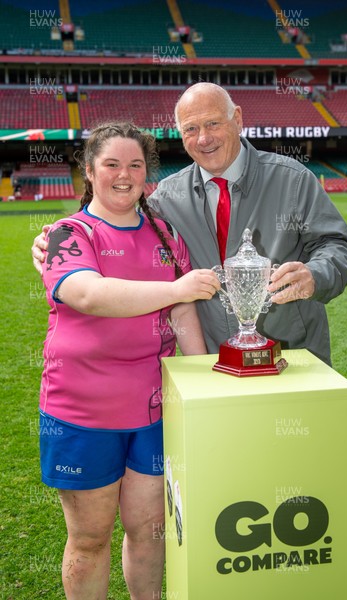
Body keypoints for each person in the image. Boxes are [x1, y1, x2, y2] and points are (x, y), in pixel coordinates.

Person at [33, 82, 347, 365]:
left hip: (292, 354)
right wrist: (60, 246)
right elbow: (124, 249)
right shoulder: (165, 199)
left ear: (238, 119)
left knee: (294, 437)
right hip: (215, 360)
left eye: (213, 123)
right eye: (190, 129)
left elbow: (337, 245)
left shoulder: (292, 179)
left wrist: (316, 275)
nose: (203, 139)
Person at [37, 121, 219, 600]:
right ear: (90, 171)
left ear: (147, 174)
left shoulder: (164, 234)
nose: (124, 174)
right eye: (112, 164)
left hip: (153, 413)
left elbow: (182, 312)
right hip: (82, 414)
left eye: (135, 165)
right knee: (90, 538)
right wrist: (177, 287)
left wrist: (201, 384)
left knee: (151, 529)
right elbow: (89, 294)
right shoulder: (66, 234)